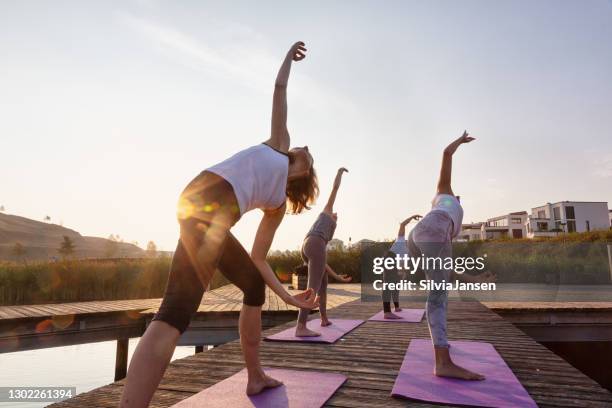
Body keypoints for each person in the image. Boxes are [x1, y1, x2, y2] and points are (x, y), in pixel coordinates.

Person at [120, 41, 320, 407]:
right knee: (173, 315)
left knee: (252, 286)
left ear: (303, 173)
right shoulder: (279, 144)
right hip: (205, 205)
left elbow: (259, 261)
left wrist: (289, 296)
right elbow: (280, 91)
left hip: (203, 212)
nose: (303, 147)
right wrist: (287, 58)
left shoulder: (275, 205)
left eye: (308, 154)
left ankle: (256, 377)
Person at [407, 130, 494, 381]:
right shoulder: (443, 194)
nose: (458, 198)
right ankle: (442, 362)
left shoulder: (449, 223)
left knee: (440, 285)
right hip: (430, 230)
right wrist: (461, 140)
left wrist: (475, 280)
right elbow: (446, 154)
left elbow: (446, 269)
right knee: (438, 296)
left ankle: (442, 350)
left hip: (422, 235)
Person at [295, 167, 349, 337]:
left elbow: (322, 264)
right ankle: (301, 327)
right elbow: (335, 189)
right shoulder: (326, 213)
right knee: (313, 288)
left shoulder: (327, 233)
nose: (335, 214)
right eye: (334, 214)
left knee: (322, 285)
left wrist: (338, 277)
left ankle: (324, 318)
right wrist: (339, 173)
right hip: (313, 243)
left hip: (308, 245)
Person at [383, 214, 421, 319]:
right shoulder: (401, 239)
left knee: (395, 285)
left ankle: (396, 306)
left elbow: (403, 264)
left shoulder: (408, 251)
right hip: (390, 258)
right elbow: (403, 224)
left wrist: (403, 273)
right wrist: (413, 216)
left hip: (395, 263)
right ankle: (387, 312)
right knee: (388, 285)